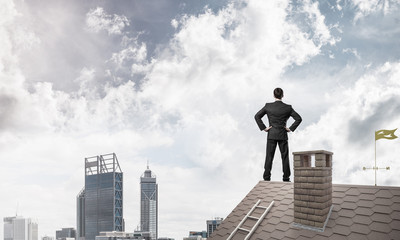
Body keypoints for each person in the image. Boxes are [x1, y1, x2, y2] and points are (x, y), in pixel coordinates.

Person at [254, 88, 302, 182]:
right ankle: (286, 178)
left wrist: (264, 128)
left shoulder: (268, 106)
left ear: (273, 95)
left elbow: (257, 116)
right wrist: (290, 128)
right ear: (282, 95)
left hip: (271, 134)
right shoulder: (288, 107)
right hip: (282, 134)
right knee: (284, 157)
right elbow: (298, 118)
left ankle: (266, 178)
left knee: (269, 156)